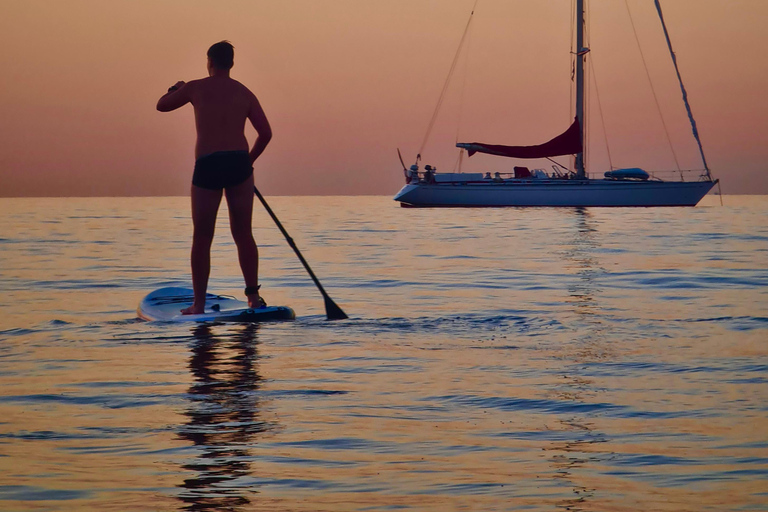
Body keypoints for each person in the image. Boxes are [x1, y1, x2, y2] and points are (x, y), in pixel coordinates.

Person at [157, 41, 272, 315]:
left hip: (208, 164)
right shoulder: (244, 92)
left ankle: (198, 304)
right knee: (244, 234)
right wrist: (249, 161)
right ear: (231, 63)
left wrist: (176, 88)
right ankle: (253, 298)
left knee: (202, 236)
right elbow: (265, 133)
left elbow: (162, 106)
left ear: (209, 62)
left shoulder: (195, 87)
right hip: (238, 164)